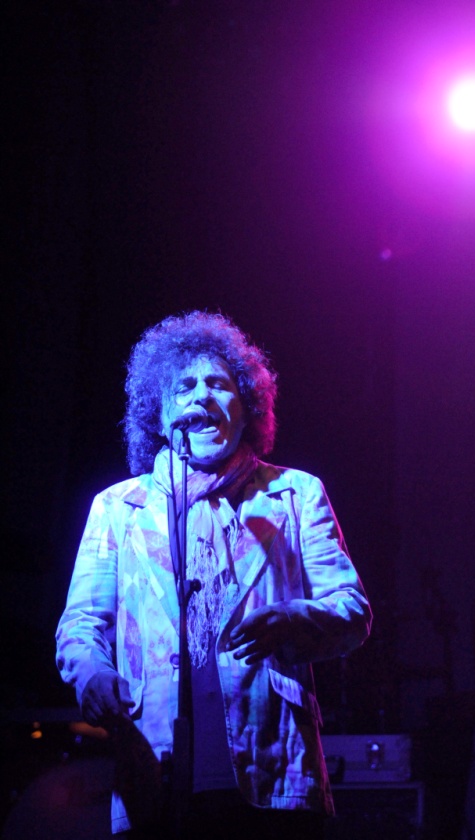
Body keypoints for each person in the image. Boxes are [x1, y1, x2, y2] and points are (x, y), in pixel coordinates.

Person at [55, 311, 372, 839]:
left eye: (219, 385)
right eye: (184, 387)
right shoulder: (117, 508)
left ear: (247, 409)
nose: (201, 396)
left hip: (274, 775)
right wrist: (92, 675)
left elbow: (353, 611)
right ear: (159, 414)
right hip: (153, 775)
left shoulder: (295, 494)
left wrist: (293, 619)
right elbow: (81, 624)